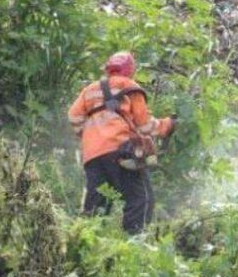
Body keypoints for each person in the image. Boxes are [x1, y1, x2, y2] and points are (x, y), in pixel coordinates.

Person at [68, 52, 174, 234]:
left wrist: (88, 136)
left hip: (92, 155)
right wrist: (167, 126)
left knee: (97, 204)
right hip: (120, 151)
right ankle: (134, 243)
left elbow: (73, 116)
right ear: (130, 70)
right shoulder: (129, 87)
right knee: (141, 199)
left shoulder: (90, 90)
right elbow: (145, 125)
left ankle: (86, 244)